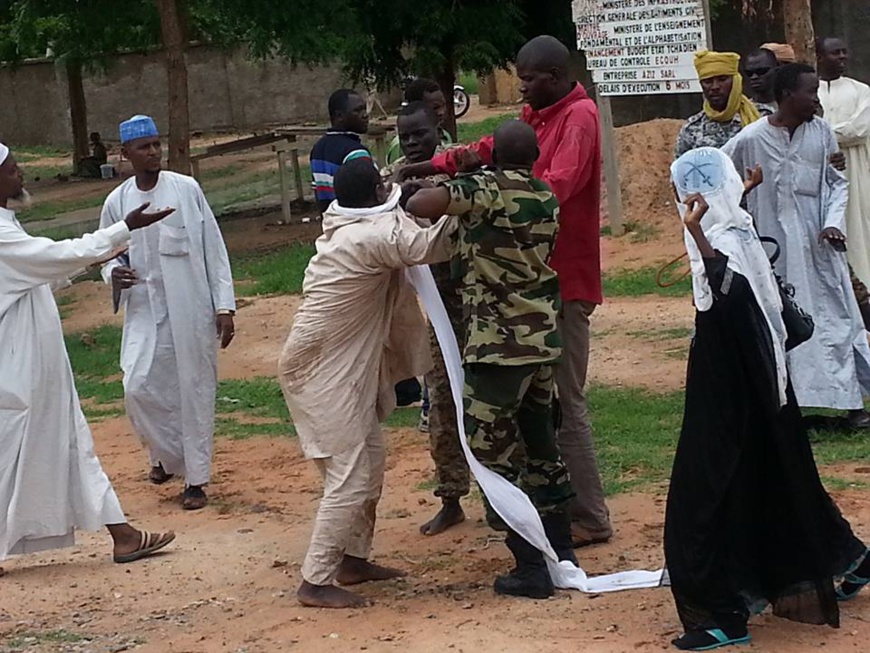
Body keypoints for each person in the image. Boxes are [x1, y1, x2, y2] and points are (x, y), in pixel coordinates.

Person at [397, 34, 612, 549]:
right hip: (525, 290)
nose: (523, 87)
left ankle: (588, 515)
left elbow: (551, 189)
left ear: (556, 77)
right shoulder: (538, 113)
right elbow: (491, 148)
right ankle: (546, 510)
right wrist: (436, 165)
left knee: (565, 400)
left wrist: (489, 190)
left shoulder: (578, 118)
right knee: (537, 405)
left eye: (530, 79)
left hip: (562, 280)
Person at [664, 145, 870, 652]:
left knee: (702, 502)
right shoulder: (735, 227)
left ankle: (722, 614)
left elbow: (731, 299)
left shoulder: (719, 239)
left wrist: (697, 236)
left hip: (730, 394)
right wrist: (737, 198)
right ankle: (846, 557)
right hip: (761, 389)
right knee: (778, 479)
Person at [406, 120, 577, 599]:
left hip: (495, 347)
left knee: (491, 455)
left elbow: (423, 205)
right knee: (543, 448)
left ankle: (529, 565)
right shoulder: (545, 196)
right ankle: (561, 549)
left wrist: (444, 183)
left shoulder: (485, 189)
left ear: (495, 155)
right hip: (540, 343)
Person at [279, 159, 458, 608]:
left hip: (333, 364)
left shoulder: (352, 221)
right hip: (317, 371)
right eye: (382, 184)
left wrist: (406, 194)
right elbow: (431, 245)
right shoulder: (366, 237)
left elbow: (395, 220)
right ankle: (314, 581)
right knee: (350, 475)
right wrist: (460, 201)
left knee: (371, 463)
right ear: (372, 195)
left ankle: (353, 561)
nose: (388, 187)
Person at [0, 142, 176, 575]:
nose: (21, 174)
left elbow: (45, 274)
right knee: (14, 452)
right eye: (12, 169)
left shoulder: (8, 225)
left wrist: (103, 252)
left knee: (71, 443)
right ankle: (123, 535)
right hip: (17, 369)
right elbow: (56, 257)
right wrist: (122, 230)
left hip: (38, 367)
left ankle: (124, 535)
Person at [99, 115, 236, 510]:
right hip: (144, 308)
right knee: (138, 386)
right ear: (125, 154)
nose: (154, 152)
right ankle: (162, 453)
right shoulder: (117, 202)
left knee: (192, 389)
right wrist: (113, 272)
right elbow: (106, 253)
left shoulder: (186, 189)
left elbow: (214, 248)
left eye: (156, 144)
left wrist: (224, 305)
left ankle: (194, 478)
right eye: (144, 147)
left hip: (190, 308)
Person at [723, 64, 870, 428]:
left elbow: (835, 184)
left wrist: (833, 223)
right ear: (787, 95)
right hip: (774, 252)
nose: (816, 100)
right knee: (782, 323)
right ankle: (786, 406)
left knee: (837, 319)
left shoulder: (821, 133)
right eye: (810, 92)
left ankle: (851, 404)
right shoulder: (751, 139)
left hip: (819, 247)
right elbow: (718, 176)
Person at [382, 102, 470, 536]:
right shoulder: (395, 173)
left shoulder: (460, 166)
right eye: (406, 135)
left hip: (473, 301)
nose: (413, 142)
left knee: (487, 403)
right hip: (435, 311)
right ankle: (451, 495)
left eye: (419, 133)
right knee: (441, 405)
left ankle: (504, 495)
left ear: (438, 128)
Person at [817, 37, 870, 289]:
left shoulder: (861, 91)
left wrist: (821, 132)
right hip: (819, 170)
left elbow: (858, 130)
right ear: (819, 57)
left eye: (843, 52)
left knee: (859, 230)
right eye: (834, 53)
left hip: (856, 170)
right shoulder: (808, 89)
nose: (841, 57)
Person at [675, 50, 761, 158]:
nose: (715, 87)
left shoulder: (761, 116)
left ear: (735, 81)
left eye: (722, 79)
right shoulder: (692, 129)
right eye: (708, 81)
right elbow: (682, 171)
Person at [311, 89, 372, 213]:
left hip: (332, 224)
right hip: (357, 224)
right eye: (358, 110)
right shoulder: (356, 153)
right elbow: (369, 199)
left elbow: (319, 196)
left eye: (364, 109)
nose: (365, 115)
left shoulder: (317, 149)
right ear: (339, 116)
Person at [385, 78, 454, 165]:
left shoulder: (445, 135)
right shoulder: (399, 146)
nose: (442, 112)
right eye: (435, 108)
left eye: (443, 105)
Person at [743, 48, 779, 116]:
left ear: (776, 70)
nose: (754, 77)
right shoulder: (744, 111)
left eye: (761, 71)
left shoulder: (791, 106)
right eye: (749, 73)